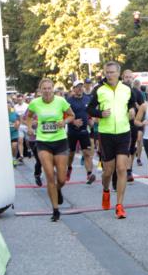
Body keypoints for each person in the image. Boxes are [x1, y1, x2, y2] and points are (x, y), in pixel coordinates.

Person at [88, 61, 135, 219]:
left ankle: (120, 205)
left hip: (124, 132)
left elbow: (132, 104)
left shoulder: (127, 89)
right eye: (107, 72)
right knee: (108, 171)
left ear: (118, 73)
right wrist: (100, 114)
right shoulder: (99, 89)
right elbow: (90, 109)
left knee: (121, 168)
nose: (109, 75)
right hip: (106, 133)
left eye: (112, 72)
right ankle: (106, 190)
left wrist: (132, 110)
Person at [26, 78, 73, 221]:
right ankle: (55, 210)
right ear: (40, 90)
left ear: (53, 88)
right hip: (43, 142)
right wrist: (29, 127)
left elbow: (72, 115)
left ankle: (58, 189)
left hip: (60, 141)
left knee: (61, 179)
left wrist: (64, 121)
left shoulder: (61, 101)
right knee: (49, 176)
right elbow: (28, 116)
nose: (46, 91)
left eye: (49, 88)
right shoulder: (35, 103)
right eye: (44, 89)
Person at [65, 80, 96, 184]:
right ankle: (69, 168)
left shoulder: (88, 99)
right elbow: (64, 115)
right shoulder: (69, 101)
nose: (79, 88)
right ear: (73, 89)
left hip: (84, 131)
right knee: (71, 154)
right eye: (77, 87)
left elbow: (89, 112)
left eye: (81, 86)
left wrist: (90, 120)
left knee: (87, 153)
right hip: (72, 131)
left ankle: (89, 174)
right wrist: (73, 121)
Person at [122, 69, 145, 184]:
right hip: (120, 123)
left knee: (131, 147)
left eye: (130, 77)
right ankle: (121, 170)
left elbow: (143, 106)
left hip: (133, 123)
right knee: (122, 148)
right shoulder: (118, 91)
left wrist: (137, 107)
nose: (128, 79)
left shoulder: (137, 92)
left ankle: (129, 170)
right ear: (122, 78)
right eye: (126, 77)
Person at [8, 98, 21, 166]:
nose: (7, 105)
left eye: (9, 104)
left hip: (14, 132)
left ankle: (14, 158)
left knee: (14, 146)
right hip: (5, 134)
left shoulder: (14, 113)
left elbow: (19, 119)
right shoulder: (1, 114)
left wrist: (18, 123)